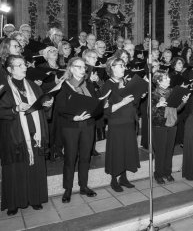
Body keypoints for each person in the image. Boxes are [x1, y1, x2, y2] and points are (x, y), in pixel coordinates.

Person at [0, 55, 52, 215]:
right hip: (14, 136)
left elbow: (41, 109)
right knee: (15, 169)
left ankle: (35, 198)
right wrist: (15, 109)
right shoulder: (4, 88)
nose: (24, 67)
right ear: (9, 69)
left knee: (35, 167)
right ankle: (14, 203)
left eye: (24, 64)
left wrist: (47, 105)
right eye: (19, 65)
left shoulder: (32, 86)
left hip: (35, 133)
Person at [55, 57, 99, 203]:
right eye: (78, 67)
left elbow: (95, 105)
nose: (82, 70)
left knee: (85, 157)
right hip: (71, 127)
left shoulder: (89, 85)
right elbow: (60, 109)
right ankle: (67, 189)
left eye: (83, 67)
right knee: (70, 158)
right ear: (71, 68)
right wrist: (74, 118)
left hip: (88, 125)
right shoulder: (64, 86)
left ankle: (83, 186)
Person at [101, 57, 140, 192]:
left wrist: (138, 95)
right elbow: (105, 110)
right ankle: (113, 179)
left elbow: (134, 104)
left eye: (124, 65)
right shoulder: (108, 84)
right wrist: (122, 102)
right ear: (112, 67)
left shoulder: (126, 82)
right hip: (116, 123)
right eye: (120, 65)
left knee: (126, 150)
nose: (124, 68)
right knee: (117, 151)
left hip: (129, 121)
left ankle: (123, 178)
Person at [152, 70, 188, 184]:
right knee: (160, 151)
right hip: (159, 125)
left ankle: (167, 173)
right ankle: (158, 174)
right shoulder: (154, 94)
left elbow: (176, 109)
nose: (169, 80)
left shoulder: (173, 92)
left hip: (172, 123)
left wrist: (183, 102)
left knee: (169, 150)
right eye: (166, 78)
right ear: (158, 81)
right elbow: (148, 112)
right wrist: (157, 105)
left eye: (168, 78)